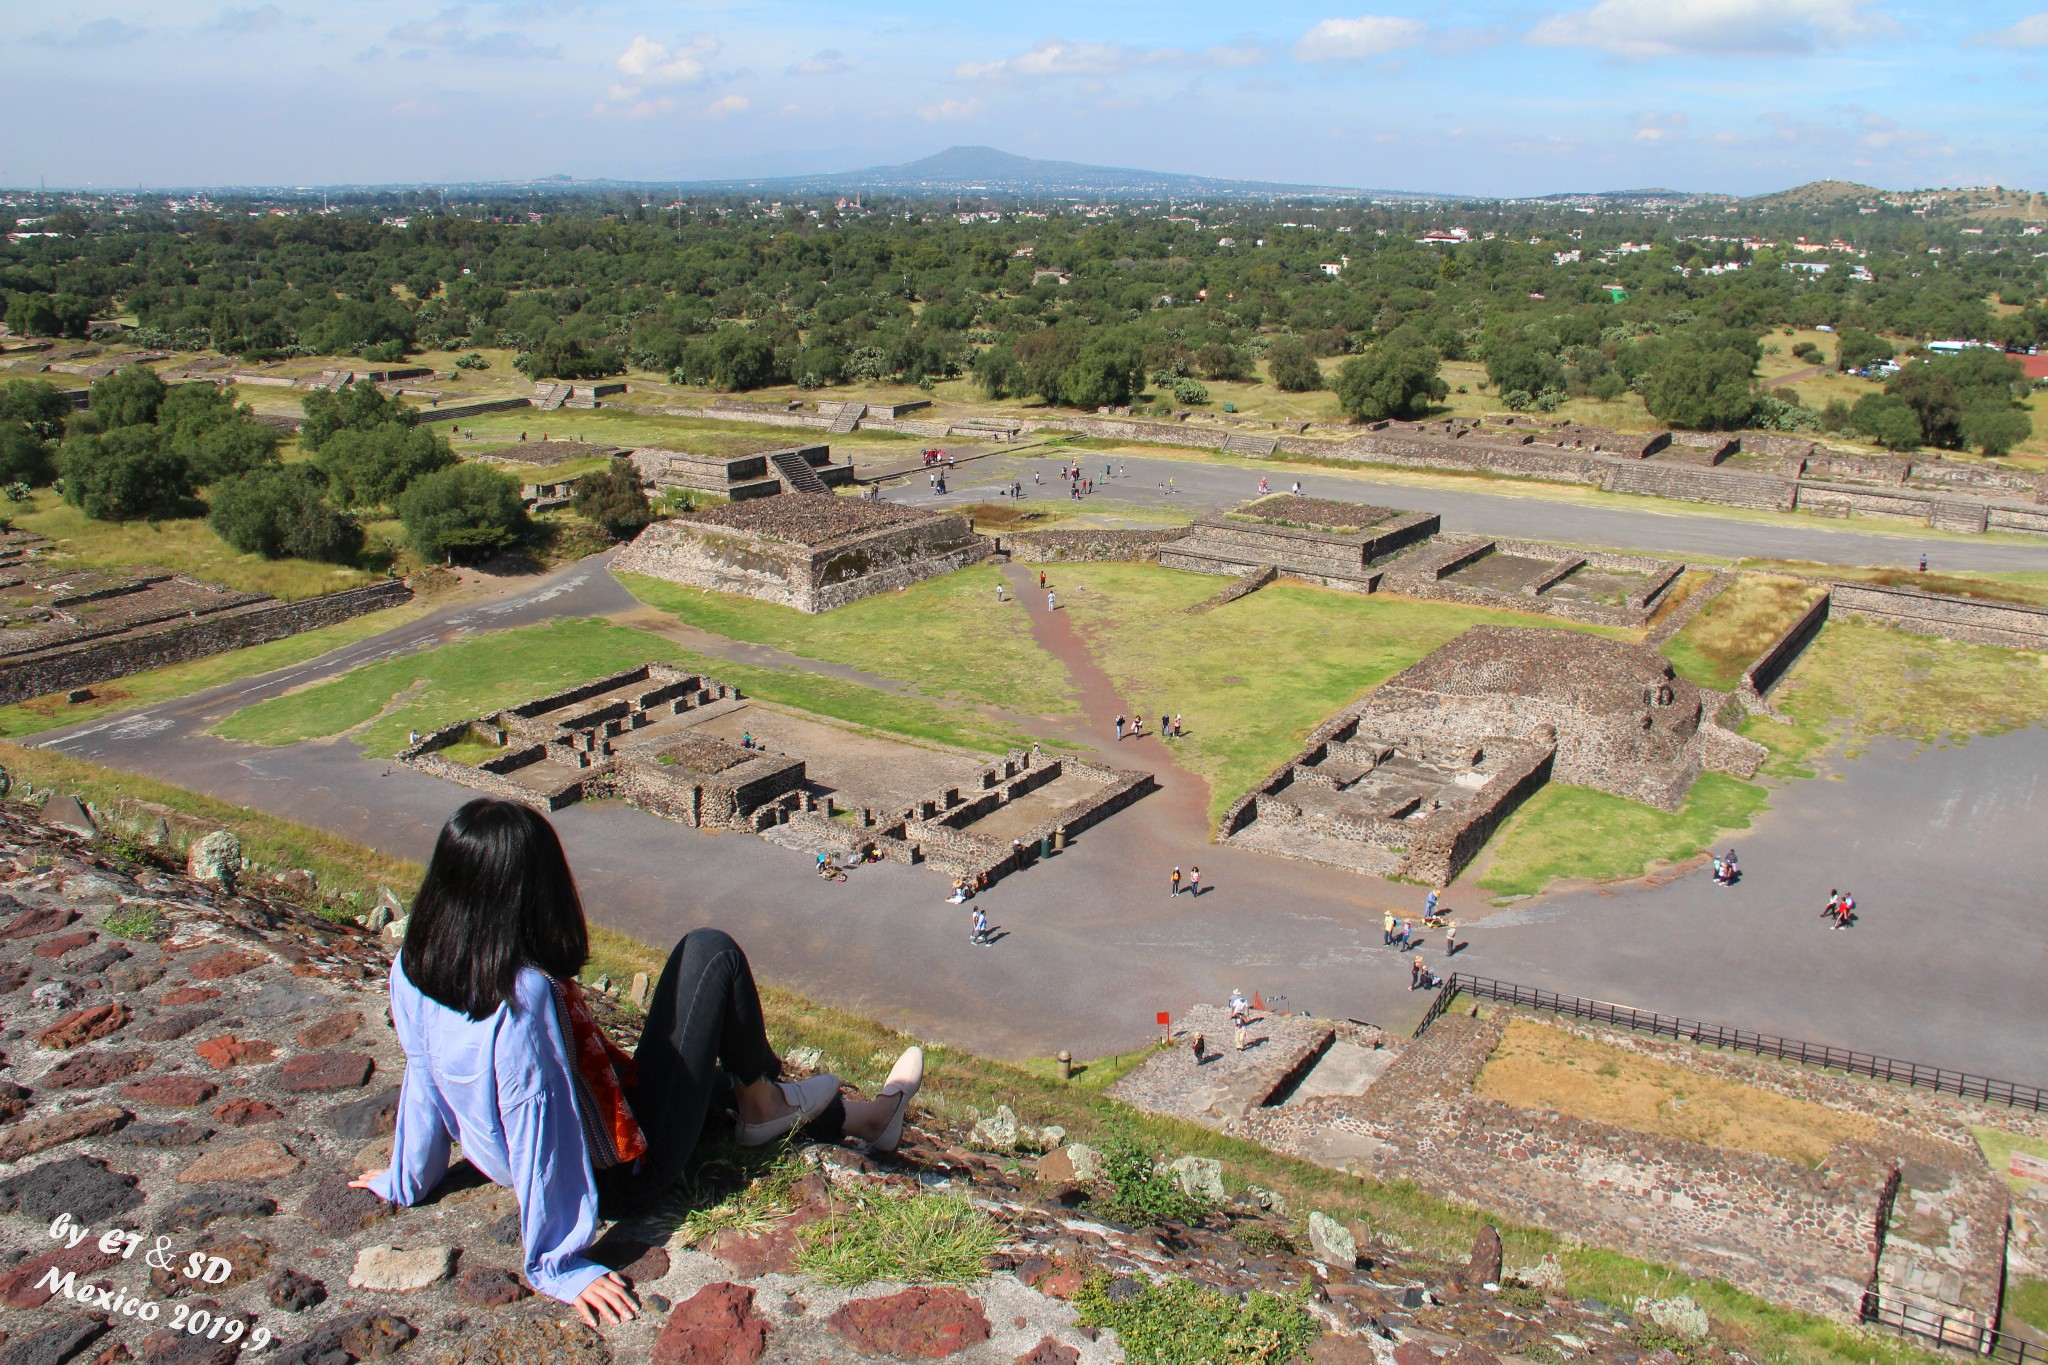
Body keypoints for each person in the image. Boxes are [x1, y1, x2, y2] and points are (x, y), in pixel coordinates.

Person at [349, 799, 922, 1328]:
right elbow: (539, 1128)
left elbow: (422, 1074)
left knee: (708, 1083)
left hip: (542, 1147)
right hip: (618, 1174)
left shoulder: (414, 966)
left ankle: (863, 1118)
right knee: (709, 951)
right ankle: (766, 1102)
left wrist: (409, 1178)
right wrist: (558, 1263)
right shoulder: (522, 1003)